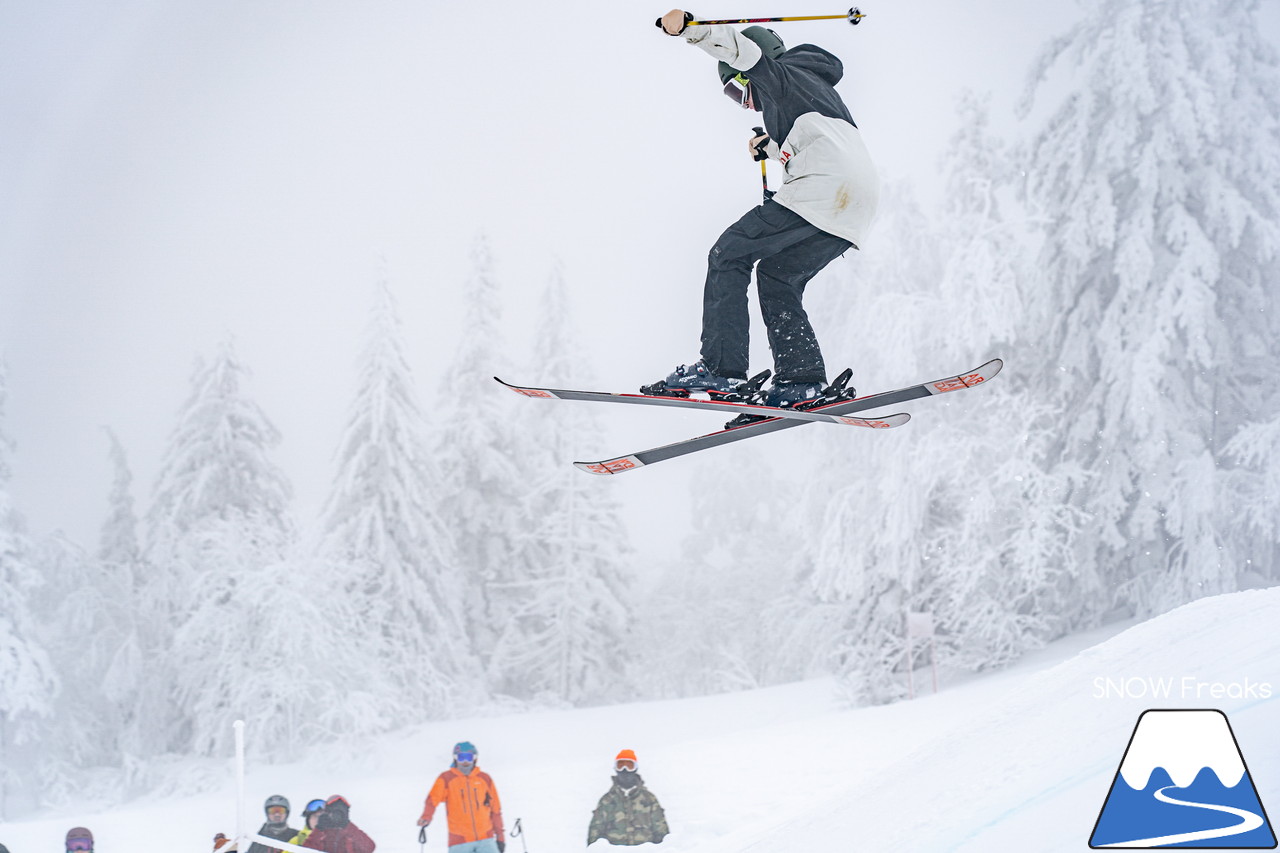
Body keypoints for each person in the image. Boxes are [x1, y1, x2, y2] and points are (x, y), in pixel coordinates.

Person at [647, 10, 879, 416]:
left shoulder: (781, 74)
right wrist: (772, 147)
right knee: (776, 276)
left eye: (739, 91)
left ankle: (721, 369)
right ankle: (800, 381)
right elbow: (816, 140)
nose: (745, 103)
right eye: (734, 99)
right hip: (855, 204)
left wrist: (690, 29)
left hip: (823, 189)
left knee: (728, 253)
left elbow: (743, 51)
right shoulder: (812, 87)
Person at [417, 741, 507, 853]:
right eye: (461, 757)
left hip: (486, 840)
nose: (465, 762)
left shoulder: (485, 779)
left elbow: (496, 810)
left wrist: (500, 836)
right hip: (459, 842)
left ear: (475, 758)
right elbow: (432, 800)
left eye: (468, 757)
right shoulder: (446, 778)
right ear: (455, 758)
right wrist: (426, 816)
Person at [587, 750, 670, 846]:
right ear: (616, 768)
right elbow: (595, 834)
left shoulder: (649, 799)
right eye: (620, 765)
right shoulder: (607, 801)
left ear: (635, 768)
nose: (624, 769)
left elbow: (662, 834)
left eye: (629, 765)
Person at [301, 795, 375, 853]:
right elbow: (306, 851)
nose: (317, 820)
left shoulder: (347, 835)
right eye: (315, 816)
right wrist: (318, 829)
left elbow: (369, 847)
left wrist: (347, 825)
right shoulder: (319, 835)